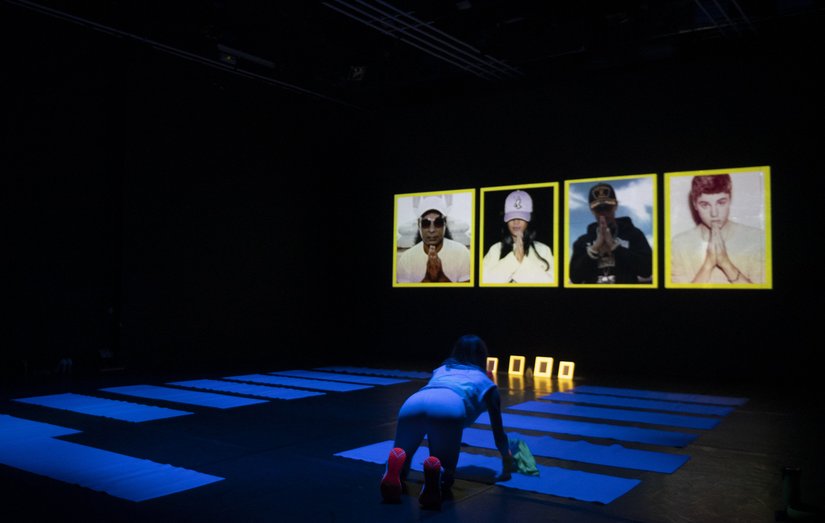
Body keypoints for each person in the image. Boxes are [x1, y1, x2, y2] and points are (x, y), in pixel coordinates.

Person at [379, 334, 515, 509]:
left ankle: (394, 471)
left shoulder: (442, 369)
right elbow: (499, 434)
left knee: (402, 457)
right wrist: (507, 457)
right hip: (448, 406)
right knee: (445, 472)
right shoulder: (488, 385)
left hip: (414, 402)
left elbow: (433, 398)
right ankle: (436, 479)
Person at [670, 174, 764, 284]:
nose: (714, 213)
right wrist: (708, 264)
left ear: (730, 200)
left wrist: (725, 263)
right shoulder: (678, 244)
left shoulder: (756, 238)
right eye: (705, 205)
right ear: (695, 204)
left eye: (721, 203)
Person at [569, 182, 653, 284]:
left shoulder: (634, 234)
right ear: (591, 210)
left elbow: (647, 270)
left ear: (616, 205)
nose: (604, 213)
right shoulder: (582, 241)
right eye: (598, 209)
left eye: (607, 207)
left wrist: (615, 247)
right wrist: (594, 248)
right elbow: (575, 278)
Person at [482, 190, 554, 284]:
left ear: (530, 220)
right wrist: (513, 259)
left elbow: (552, 283)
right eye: (511, 217)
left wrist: (523, 261)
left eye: (521, 217)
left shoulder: (544, 250)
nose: (516, 221)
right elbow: (483, 281)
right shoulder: (495, 249)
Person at [396, 196, 471, 283]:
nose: (432, 230)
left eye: (438, 222)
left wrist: (441, 276)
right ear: (418, 224)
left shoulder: (462, 253)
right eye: (426, 223)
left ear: (445, 224)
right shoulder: (406, 259)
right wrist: (427, 278)